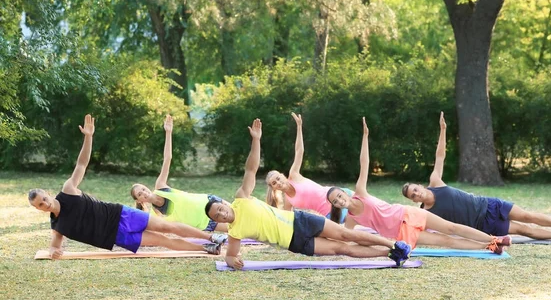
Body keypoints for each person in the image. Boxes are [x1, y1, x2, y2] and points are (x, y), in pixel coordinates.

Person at [205, 118, 413, 270]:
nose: (222, 214)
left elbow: (251, 169)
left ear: (225, 203)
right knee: (341, 249)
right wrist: (232, 261)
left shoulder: (241, 198)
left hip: (302, 220)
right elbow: (230, 256)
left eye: (220, 209)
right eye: (217, 216)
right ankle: (390, 254)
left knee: (346, 235)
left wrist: (256, 141)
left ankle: (393, 244)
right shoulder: (234, 232)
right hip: (295, 242)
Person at [28, 114, 223, 260]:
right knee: (163, 240)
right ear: (37, 209)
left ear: (48, 194)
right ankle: (206, 249)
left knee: (167, 226)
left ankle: (211, 237)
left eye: (44, 198)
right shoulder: (57, 226)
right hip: (115, 236)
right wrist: (53, 251)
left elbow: (81, 164)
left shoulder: (68, 190)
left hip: (120, 214)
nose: (45, 203)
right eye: (40, 205)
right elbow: (54, 246)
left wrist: (88, 137)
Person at [327, 118, 509, 254]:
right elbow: (344, 236)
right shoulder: (351, 220)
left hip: (408, 213)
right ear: (336, 206)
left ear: (345, 193)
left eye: (340, 196)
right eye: (336, 202)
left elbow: (364, 163)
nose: (340, 201)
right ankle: (490, 246)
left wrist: (365, 137)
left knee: (451, 228)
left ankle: (495, 239)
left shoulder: (360, 193)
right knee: (445, 241)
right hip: (401, 231)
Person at [401, 112, 551, 242]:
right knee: (523, 230)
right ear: (413, 200)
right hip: (482, 224)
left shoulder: (435, 182)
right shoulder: (426, 212)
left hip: (489, 204)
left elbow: (440, 156)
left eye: (415, 190)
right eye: (413, 196)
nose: (417, 194)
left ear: (420, 185)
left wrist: (443, 130)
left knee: (527, 215)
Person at [130, 114, 228, 243]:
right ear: (140, 201)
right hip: (204, 222)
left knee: (240, 212)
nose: (144, 192)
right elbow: (149, 232)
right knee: (238, 228)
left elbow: (167, 158)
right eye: (140, 194)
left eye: (143, 189)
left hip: (208, 201)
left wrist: (168, 132)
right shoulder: (156, 215)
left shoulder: (160, 187)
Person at [265, 113, 353, 222]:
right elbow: (287, 219)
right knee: (350, 224)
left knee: (367, 206)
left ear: (283, 176)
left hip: (338, 194)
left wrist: (299, 127)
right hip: (330, 214)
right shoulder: (288, 200)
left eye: (278, 178)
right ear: (274, 188)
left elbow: (299, 151)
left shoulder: (294, 175)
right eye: (274, 183)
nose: (278, 182)